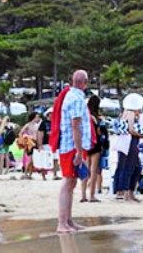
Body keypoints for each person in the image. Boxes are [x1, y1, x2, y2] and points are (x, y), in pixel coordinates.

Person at [57, 70, 92, 233]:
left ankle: (68, 221)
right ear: (85, 82)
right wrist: (79, 151)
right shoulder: (77, 98)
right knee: (68, 181)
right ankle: (62, 222)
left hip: (71, 145)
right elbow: (75, 125)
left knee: (71, 182)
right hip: (72, 146)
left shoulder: (71, 95)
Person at [114, 93, 143, 203]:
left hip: (124, 142)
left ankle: (125, 191)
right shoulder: (131, 113)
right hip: (131, 142)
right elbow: (131, 130)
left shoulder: (124, 113)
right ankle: (128, 193)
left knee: (130, 166)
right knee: (132, 166)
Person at [81, 95, 103, 202]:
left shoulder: (84, 115)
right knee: (94, 170)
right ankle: (92, 195)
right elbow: (98, 132)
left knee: (85, 170)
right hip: (95, 144)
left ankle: (83, 195)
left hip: (85, 144)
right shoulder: (95, 117)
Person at [19, 112, 41, 179]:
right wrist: (26, 138)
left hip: (35, 143)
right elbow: (20, 133)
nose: (38, 118)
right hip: (29, 143)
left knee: (33, 160)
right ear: (34, 117)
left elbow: (38, 135)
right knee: (29, 160)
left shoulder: (37, 125)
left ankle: (30, 174)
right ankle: (26, 173)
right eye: (37, 117)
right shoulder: (28, 125)